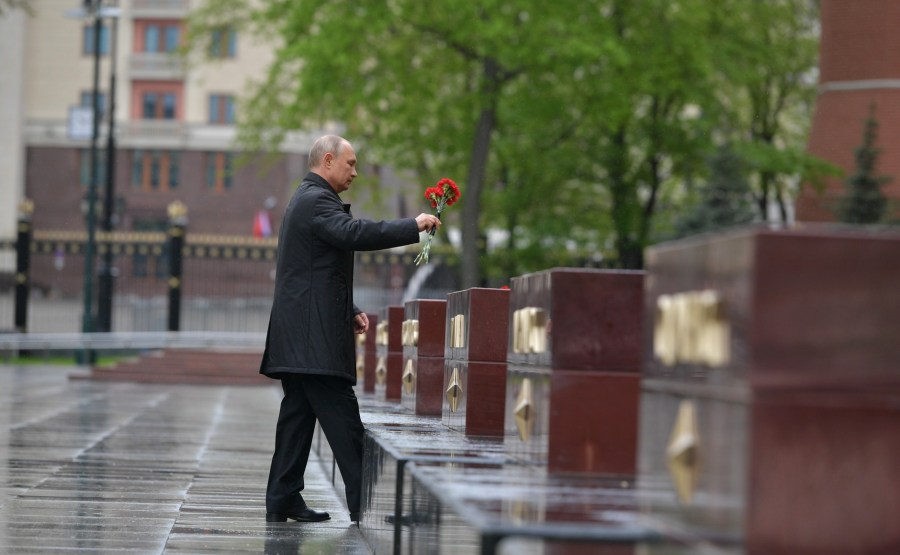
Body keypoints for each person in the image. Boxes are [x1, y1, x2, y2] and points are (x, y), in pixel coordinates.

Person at [261, 135, 440, 523]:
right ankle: (372, 509)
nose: (356, 173)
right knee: (345, 426)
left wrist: (350, 307)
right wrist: (413, 226)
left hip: (303, 337)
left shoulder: (307, 199)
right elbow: (353, 234)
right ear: (328, 161)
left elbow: (314, 269)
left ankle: (282, 497)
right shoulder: (315, 201)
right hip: (313, 341)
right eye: (351, 164)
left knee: (296, 419)